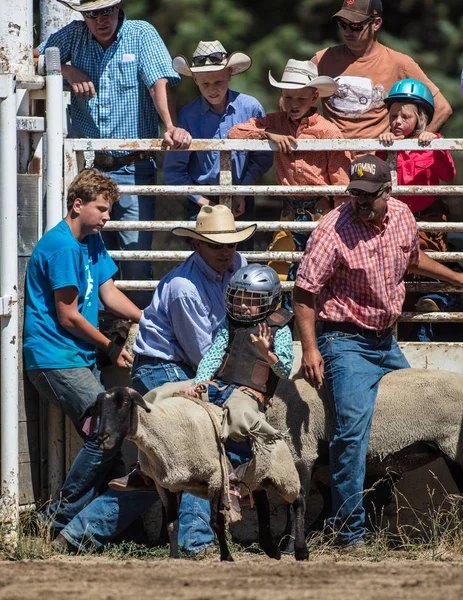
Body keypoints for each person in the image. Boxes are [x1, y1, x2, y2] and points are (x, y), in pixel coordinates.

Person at [56, 205, 255, 555]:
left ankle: (76, 536)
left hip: (188, 364)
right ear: (199, 246)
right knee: (198, 441)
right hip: (162, 366)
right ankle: (195, 540)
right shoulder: (183, 288)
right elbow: (202, 355)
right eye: (216, 245)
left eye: (230, 245)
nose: (226, 252)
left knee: (161, 468)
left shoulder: (236, 269)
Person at [293, 154, 463, 550]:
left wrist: (455, 277)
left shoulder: (402, 216)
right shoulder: (332, 229)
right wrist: (311, 348)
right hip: (344, 340)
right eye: (355, 194)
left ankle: (374, 514)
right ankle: (349, 535)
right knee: (351, 436)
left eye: (369, 195)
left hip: (385, 339)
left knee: (408, 426)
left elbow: (412, 258)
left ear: (388, 191)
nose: (360, 202)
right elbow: (304, 293)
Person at [36, 0, 191, 308]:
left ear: (119, 8)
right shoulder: (73, 36)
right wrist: (64, 69)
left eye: (106, 11)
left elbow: (158, 81)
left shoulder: (140, 33)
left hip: (133, 167)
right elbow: (35, 56)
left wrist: (171, 126)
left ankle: (138, 336)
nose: (100, 19)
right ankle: (104, 336)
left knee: (134, 256)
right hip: (91, 170)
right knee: (92, 257)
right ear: (83, 15)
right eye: (92, 13)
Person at [23, 168, 147, 546]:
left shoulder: (91, 240)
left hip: (76, 356)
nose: (108, 217)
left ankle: (109, 532)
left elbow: (108, 295)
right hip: (55, 358)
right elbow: (69, 315)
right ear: (78, 205)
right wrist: (111, 347)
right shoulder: (61, 246)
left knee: (112, 438)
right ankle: (52, 520)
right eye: (102, 209)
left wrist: (149, 319)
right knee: (106, 434)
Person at [228, 59, 351, 308]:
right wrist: (267, 134)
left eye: (300, 99)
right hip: (288, 212)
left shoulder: (329, 132)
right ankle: (283, 332)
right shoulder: (276, 122)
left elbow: (341, 180)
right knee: (281, 273)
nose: (293, 105)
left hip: (321, 213)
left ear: (314, 97)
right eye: (288, 98)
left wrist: (340, 219)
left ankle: (318, 333)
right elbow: (234, 133)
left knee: (320, 273)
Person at [180, 264, 293, 516]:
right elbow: (214, 354)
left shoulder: (279, 328)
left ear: (270, 300)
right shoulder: (229, 322)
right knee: (169, 394)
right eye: (239, 299)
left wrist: (268, 353)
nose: (243, 305)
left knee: (240, 417)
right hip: (220, 384)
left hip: (248, 392)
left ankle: (235, 480)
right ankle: (146, 469)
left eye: (251, 300)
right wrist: (198, 382)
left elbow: (285, 371)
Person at [163, 40, 273, 248]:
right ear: (195, 79)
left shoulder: (251, 108)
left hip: (241, 194)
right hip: (201, 201)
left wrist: (241, 191)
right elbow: (173, 171)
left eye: (218, 82)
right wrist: (204, 202)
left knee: (242, 260)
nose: (212, 90)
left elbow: (263, 158)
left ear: (229, 74)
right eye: (205, 84)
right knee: (205, 258)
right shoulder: (187, 116)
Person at [378, 79, 457, 340]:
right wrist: (383, 145)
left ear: (421, 118)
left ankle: (433, 305)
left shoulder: (431, 143)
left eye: (405, 116)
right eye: (393, 116)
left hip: (428, 218)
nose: (397, 121)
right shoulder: (388, 145)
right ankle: (402, 333)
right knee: (399, 272)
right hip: (396, 218)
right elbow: (376, 174)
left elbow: (448, 175)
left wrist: (435, 145)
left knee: (431, 263)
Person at [311, 0, 452, 140]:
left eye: (355, 26)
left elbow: (443, 109)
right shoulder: (323, 59)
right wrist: (288, 134)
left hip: (378, 159)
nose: (347, 32)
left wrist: (413, 146)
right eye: (343, 24)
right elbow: (291, 96)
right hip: (332, 157)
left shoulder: (400, 63)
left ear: (376, 24)